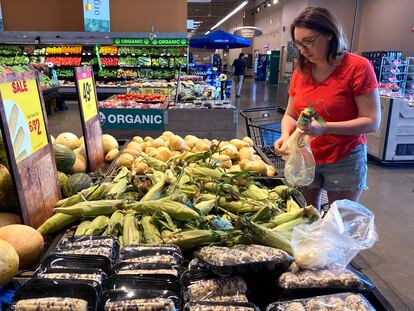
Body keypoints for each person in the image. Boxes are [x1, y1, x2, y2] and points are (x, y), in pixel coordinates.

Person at [274, 7, 381, 210]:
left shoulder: (357, 67)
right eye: (298, 44)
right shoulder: (302, 70)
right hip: (305, 155)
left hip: (344, 157)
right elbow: (290, 114)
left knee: (340, 222)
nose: (303, 50)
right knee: (307, 215)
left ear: (330, 34)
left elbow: (372, 121)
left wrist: (325, 128)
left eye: (309, 42)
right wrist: (285, 135)